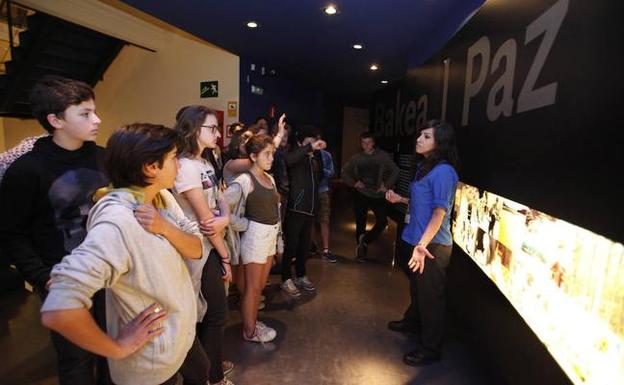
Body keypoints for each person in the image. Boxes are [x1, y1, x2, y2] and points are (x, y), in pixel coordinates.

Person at [40, 123, 210, 385]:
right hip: (151, 366)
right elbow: (59, 306)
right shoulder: (118, 220)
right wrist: (117, 348)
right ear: (151, 167)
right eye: (174, 158)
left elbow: (197, 248)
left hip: (174, 345)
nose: (179, 165)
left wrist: (165, 228)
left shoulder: (158, 198)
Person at [0, 75, 110, 385]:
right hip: (63, 278)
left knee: (113, 353)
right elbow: (11, 234)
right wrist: (43, 277)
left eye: (94, 111)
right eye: (85, 113)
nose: (96, 119)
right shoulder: (27, 170)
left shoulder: (104, 157)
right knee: (76, 358)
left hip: (111, 276)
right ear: (55, 120)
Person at [385, 120, 459, 366]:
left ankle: (430, 348)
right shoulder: (426, 167)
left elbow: (439, 213)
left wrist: (422, 245)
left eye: (426, 136)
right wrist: (400, 199)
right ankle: (412, 323)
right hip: (419, 241)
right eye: (420, 135)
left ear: (440, 143)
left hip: (431, 247)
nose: (419, 139)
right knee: (417, 290)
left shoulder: (444, 172)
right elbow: (422, 203)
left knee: (431, 298)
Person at [173, 105, 235, 385]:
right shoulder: (185, 166)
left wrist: (227, 217)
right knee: (213, 313)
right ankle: (212, 376)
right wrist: (225, 257)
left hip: (211, 243)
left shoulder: (205, 161)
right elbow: (206, 221)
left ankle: (209, 367)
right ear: (194, 129)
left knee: (212, 312)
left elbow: (221, 198)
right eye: (211, 128)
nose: (218, 134)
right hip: (198, 248)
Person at [224, 134, 280, 343]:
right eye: (267, 154)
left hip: (270, 236)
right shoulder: (245, 180)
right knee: (252, 288)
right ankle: (249, 331)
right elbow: (224, 209)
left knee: (259, 286)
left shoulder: (270, 178)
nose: (271, 158)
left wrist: (279, 240)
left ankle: (252, 323)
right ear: (253, 156)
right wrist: (245, 224)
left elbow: (275, 210)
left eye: (272, 153)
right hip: (255, 237)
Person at [280, 125, 326, 298]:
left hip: (311, 208)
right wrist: (308, 148)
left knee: (305, 246)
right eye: (310, 142)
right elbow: (288, 161)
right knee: (291, 245)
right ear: (301, 142)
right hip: (296, 207)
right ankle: (285, 278)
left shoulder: (315, 158)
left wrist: (314, 153)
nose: (314, 145)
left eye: (315, 142)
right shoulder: (293, 154)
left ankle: (300, 275)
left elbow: (319, 178)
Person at [342, 131, 399, 262]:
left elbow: (395, 170)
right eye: (363, 142)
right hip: (361, 194)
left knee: (382, 221)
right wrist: (354, 183)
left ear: (373, 143)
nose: (366, 145)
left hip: (377, 194)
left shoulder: (382, 156)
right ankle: (360, 251)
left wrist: (387, 186)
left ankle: (365, 241)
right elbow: (345, 172)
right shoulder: (357, 157)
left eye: (369, 142)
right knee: (360, 223)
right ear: (361, 144)